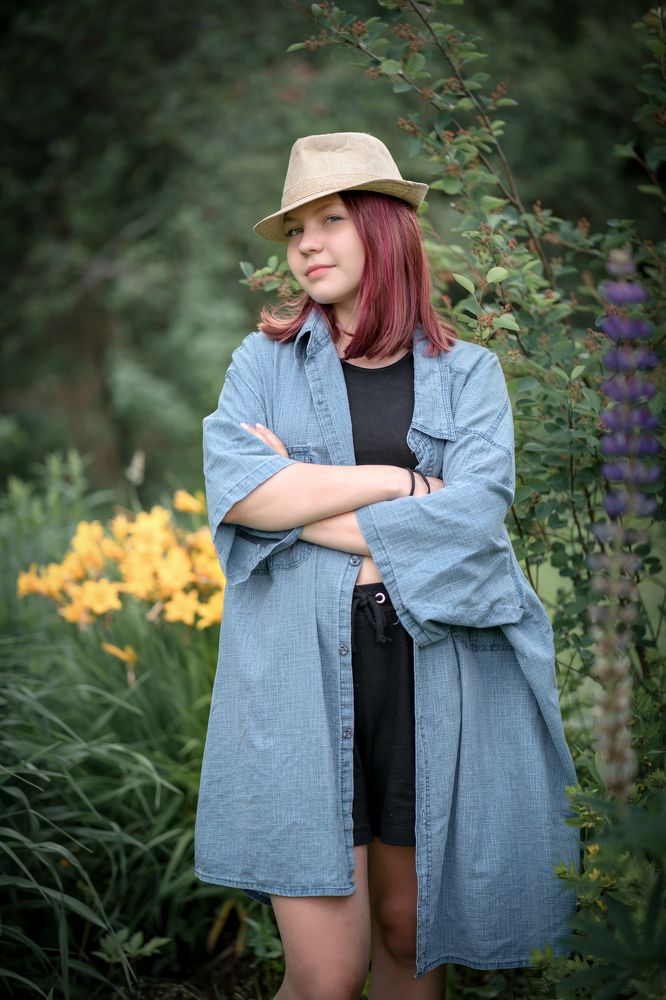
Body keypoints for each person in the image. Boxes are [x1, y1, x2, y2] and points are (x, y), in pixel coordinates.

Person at [194, 132, 580, 1000]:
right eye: (295, 229)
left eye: (328, 220)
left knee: (410, 935)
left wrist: (298, 505)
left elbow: (472, 521)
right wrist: (403, 483)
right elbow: (241, 496)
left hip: (432, 670)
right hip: (298, 673)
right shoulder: (261, 365)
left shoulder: (469, 375)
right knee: (326, 975)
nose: (306, 245)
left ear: (383, 227)